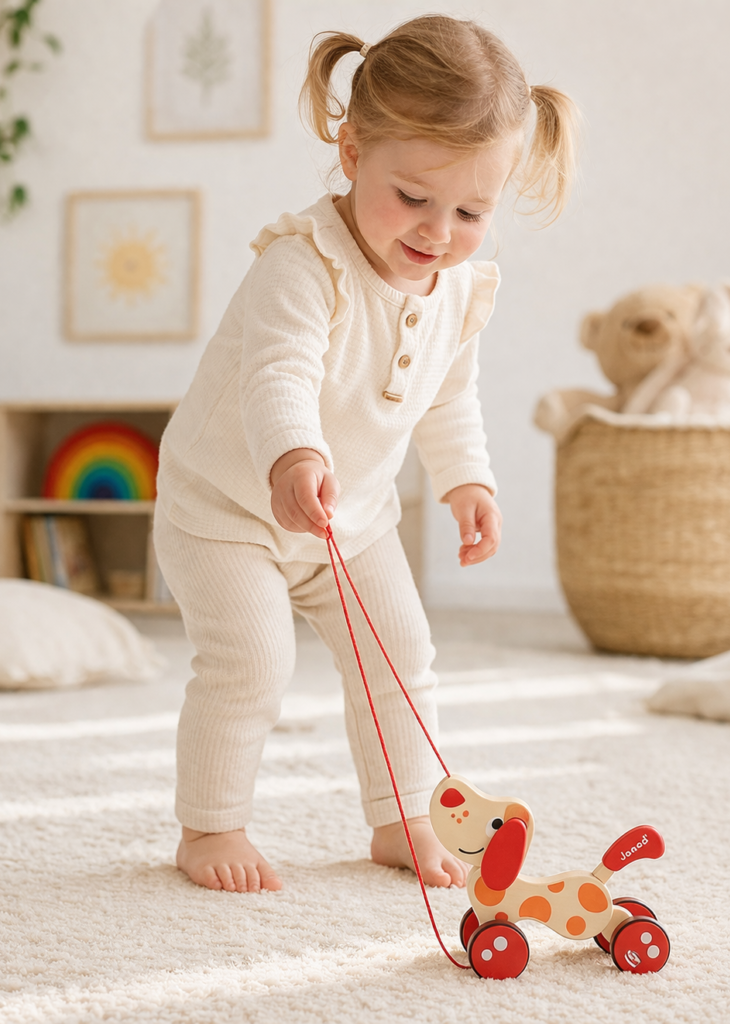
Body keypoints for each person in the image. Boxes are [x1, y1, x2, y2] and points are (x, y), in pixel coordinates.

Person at [154, 14, 578, 894]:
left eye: (471, 210)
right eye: (414, 198)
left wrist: (467, 480)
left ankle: (404, 817)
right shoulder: (302, 264)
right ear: (351, 153)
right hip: (229, 508)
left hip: (354, 519)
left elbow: (447, 393)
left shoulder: (459, 286)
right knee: (252, 663)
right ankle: (211, 827)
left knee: (401, 652)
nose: (437, 230)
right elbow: (279, 374)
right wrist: (292, 458)